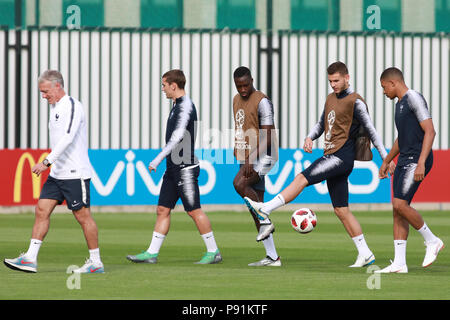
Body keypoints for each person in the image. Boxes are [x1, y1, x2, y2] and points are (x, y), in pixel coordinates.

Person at [245, 61, 395, 267]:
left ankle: (266, 209)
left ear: (347, 78)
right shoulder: (330, 99)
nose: (333, 84)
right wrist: (310, 137)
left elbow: (372, 131)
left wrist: (386, 159)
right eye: (330, 81)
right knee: (341, 210)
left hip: (340, 157)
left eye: (336, 80)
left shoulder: (355, 102)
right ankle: (366, 253)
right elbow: (321, 124)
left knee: (301, 178)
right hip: (332, 154)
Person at [3, 70, 104, 274]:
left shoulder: (73, 106)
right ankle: (30, 258)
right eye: (41, 92)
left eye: (46, 91)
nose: (43, 96)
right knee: (41, 210)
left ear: (58, 86)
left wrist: (46, 162)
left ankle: (95, 262)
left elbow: (67, 138)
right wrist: (52, 166)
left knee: (82, 216)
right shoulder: (55, 107)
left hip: (75, 173)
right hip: (58, 174)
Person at [126, 69, 221, 264]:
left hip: (185, 167)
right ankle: (152, 253)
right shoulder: (176, 104)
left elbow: (177, 137)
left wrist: (158, 158)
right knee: (162, 209)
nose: (162, 89)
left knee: (194, 210)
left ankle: (213, 252)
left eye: (164, 85)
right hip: (173, 167)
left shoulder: (185, 106)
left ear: (173, 85)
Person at [375, 67, 444, 273]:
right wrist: (387, 160)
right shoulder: (399, 105)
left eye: (384, 87)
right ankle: (399, 263)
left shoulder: (413, 97)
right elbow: (401, 138)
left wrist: (422, 162)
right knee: (397, 210)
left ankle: (432, 241)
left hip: (416, 159)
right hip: (404, 159)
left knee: (400, 204)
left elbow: (430, 131)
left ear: (393, 83)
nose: (383, 91)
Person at [232, 66, 281, 267]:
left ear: (252, 80)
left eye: (246, 84)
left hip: (266, 155)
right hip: (249, 155)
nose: (243, 89)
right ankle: (273, 257)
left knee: (239, 184)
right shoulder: (236, 99)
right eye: (239, 86)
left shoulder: (263, 102)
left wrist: (252, 157)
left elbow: (268, 135)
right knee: (255, 206)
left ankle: (266, 222)